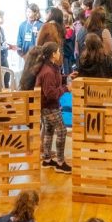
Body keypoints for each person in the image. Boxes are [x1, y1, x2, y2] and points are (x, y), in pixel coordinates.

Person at [34, 42, 72, 173]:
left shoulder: (50, 68)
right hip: (49, 107)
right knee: (62, 131)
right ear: (53, 54)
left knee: (49, 131)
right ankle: (60, 163)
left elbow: (56, 80)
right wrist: (66, 88)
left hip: (46, 107)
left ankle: (47, 159)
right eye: (58, 51)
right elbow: (51, 94)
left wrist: (67, 78)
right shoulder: (48, 71)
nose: (60, 53)